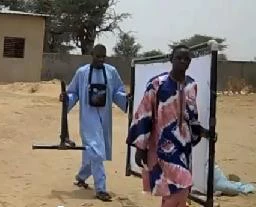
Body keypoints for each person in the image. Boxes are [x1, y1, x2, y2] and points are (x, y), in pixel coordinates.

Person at [126, 45, 216, 207]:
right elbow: (144, 114)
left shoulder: (191, 85)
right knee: (176, 187)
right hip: (162, 147)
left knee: (179, 189)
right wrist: (141, 147)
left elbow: (192, 117)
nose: (183, 61)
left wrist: (204, 132)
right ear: (171, 59)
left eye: (186, 59)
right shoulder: (157, 84)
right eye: (179, 58)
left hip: (183, 148)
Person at [59, 44, 128, 202]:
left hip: (105, 118)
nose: (101, 59)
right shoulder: (82, 72)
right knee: (96, 151)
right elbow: (73, 92)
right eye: (98, 56)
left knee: (95, 152)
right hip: (88, 119)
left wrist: (126, 99)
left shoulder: (111, 72)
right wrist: (66, 99)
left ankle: (81, 176)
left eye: (103, 56)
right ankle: (101, 189)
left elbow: (118, 91)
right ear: (92, 54)